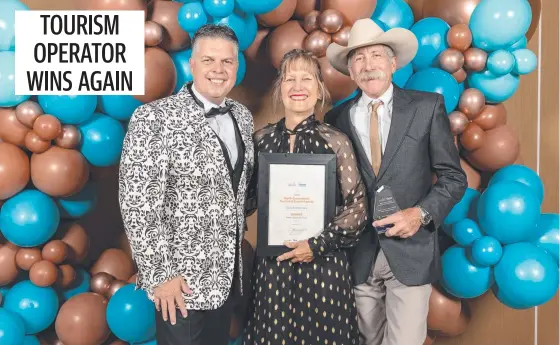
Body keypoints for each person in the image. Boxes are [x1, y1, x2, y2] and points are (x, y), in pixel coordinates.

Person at [324, 19, 468, 345]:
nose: (368, 65)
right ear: (349, 69)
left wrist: (419, 214)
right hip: (357, 255)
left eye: (376, 56)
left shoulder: (426, 108)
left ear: (392, 63)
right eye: (358, 58)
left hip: (410, 251)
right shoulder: (336, 119)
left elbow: (453, 178)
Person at [118, 24, 255, 345]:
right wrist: (160, 276)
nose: (218, 70)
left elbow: (237, 192)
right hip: (179, 284)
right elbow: (137, 205)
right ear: (192, 64)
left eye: (227, 62)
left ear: (236, 66)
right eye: (209, 60)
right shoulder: (153, 117)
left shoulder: (243, 117)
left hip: (226, 278)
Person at [243, 49, 368, 345]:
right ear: (280, 88)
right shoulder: (260, 141)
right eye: (290, 79)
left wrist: (316, 244)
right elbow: (245, 201)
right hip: (275, 266)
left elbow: (358, 207)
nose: (298, 86)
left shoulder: (336, 141)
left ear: (319, 88)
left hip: (324, 265)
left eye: (306, 79)